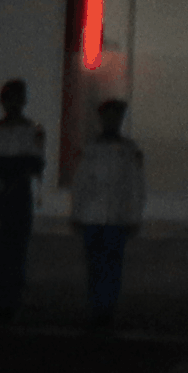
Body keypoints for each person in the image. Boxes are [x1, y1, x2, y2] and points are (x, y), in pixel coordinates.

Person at [0, 79, 51, 321]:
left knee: (17, 249)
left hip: (18, 194)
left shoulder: (33, 130)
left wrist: (12, 174)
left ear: (24, 100)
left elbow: (34, 163)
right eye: (8, 98)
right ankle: (0, 301)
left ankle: (13, 301)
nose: (12, 103)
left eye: (17, 97)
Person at [68, 99, 148, 331]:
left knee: (112, 267)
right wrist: (76, 213)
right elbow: (80, 184)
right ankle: (96, 310)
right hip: (91, 216)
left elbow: (136, 185)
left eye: (116, 117)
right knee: (94, 266)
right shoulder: (90, 148)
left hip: (117, 217)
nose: (111, 121)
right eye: (108, 117)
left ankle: (107, 311)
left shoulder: (129, 150)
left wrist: (134, 216)